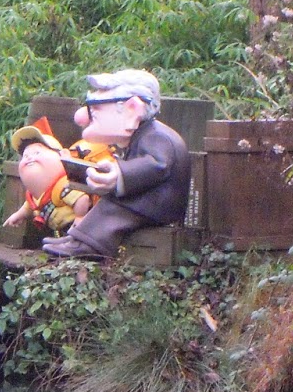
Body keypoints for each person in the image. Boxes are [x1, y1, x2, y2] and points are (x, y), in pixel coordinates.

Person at [42, 69, 191, 259]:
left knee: (112, 208)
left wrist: (120, 173)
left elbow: (156, 165)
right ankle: (77, 239)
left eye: (97, 107)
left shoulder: (157, 136)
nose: (87, 115)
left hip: (158, 205)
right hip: (148, 198)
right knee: (109, 202)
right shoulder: (143, 134)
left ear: (131, 108)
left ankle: (89, 245)